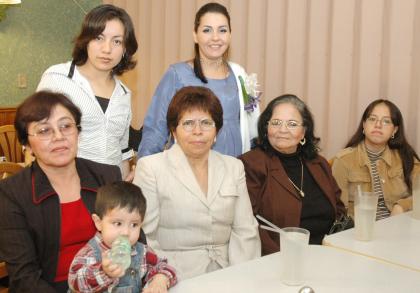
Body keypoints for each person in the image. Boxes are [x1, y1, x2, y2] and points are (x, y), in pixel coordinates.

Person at [133, 86, 261, 280]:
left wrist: (241, 278)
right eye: (188, 123)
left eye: (206, 123)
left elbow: (245, 231)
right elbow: (144, 235)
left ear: (216, 130)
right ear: (174, 131)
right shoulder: (151, 168)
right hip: (173, 274)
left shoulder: (233, 167)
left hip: (227, 272)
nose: (198, 131)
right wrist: (162, 275)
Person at [0, 91, 121, 292]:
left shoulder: (107, 176)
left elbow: (134, 238)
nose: (58, 137)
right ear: (27, 144)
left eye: (66, 126)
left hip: (112, 283)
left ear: (78, 132)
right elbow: (24, 277)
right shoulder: (11, 193)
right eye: (44, 130)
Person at [138, 2, 260, 158]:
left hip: (232, 168)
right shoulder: (177, 74)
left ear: (230, 34)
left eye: (222, 30)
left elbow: (252, 129)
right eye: (207, 30)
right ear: (195, 35)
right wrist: (144, 167)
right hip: (187, 169)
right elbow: (156, 128)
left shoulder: (240, 76)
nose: (215, 37)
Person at [37, 4, 138, 180]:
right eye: (99, 38)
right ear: (86, 40)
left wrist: (124, 190)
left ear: (125, 49)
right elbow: (36, 138)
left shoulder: (124, 94)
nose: (107, 49)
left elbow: (121, 152)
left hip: (110, 192)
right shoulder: (57, 78)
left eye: (117, 41)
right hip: (66, 185)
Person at [239, 94, 346, 255]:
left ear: (304, 132)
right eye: (276, 123)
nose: (283, 130)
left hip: (328, 253)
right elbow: (246, 223)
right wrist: (281, 258)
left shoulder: (319, 163)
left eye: (292, 124)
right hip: (281, 258)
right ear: (266, 128)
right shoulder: (251, 164)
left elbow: (339, 209)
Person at [68, 181, 177, 293]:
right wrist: (103, 272)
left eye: (134, 224)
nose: (126, 232)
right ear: (98, 222)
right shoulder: (90, 253)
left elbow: (163, 266)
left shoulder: (142, 252)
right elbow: (75, 283)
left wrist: (159, 279)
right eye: (118, 223)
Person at [332, 99, 420, 220]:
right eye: (372, 119)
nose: (378, 125)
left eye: (386, 121)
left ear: (394, 130)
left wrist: (401, 206)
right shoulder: (343, 160)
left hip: (399, 229)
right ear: (364, 124)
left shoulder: (405, 157)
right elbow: (337, 210)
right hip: (358, 232)